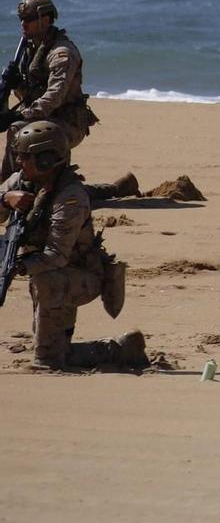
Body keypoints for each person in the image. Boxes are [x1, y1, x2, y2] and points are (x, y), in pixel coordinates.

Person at [4, 121, 145, 372]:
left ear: (47, 160)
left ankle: (115, 350)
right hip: (46, 272)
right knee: (53, 347)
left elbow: (56, 255)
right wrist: (5, 199)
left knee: (49, 358)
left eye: (26, 157)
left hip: (81, 276)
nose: (20, 163)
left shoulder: (70, 198)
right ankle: (110, 348)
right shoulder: (21, 182)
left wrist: (17, 267)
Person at [4, 0, 139, 200]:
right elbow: (32, 94)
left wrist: (18, 116)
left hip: (67, 123)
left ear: (46, 20)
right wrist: (16, 85)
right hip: (43, 120)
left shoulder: (62, 53)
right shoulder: (30, 50)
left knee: (21, 135)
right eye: (21, 19)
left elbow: (54, 97)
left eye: (29, 18)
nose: (23, 23)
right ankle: (11, 188)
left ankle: (113, 190)